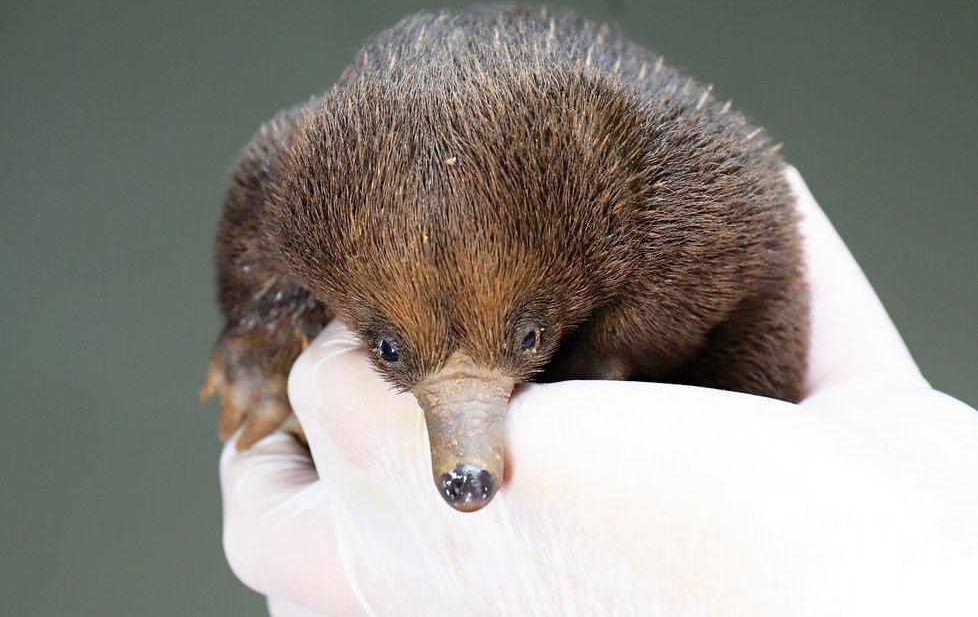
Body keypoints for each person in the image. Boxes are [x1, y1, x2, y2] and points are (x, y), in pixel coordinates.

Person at [219, 167, 978, 616]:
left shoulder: (666, 198)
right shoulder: (313, 197)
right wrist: (262, 337)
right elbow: (266, 193)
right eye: (392, 350)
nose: (465, 467)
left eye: (519, 338)